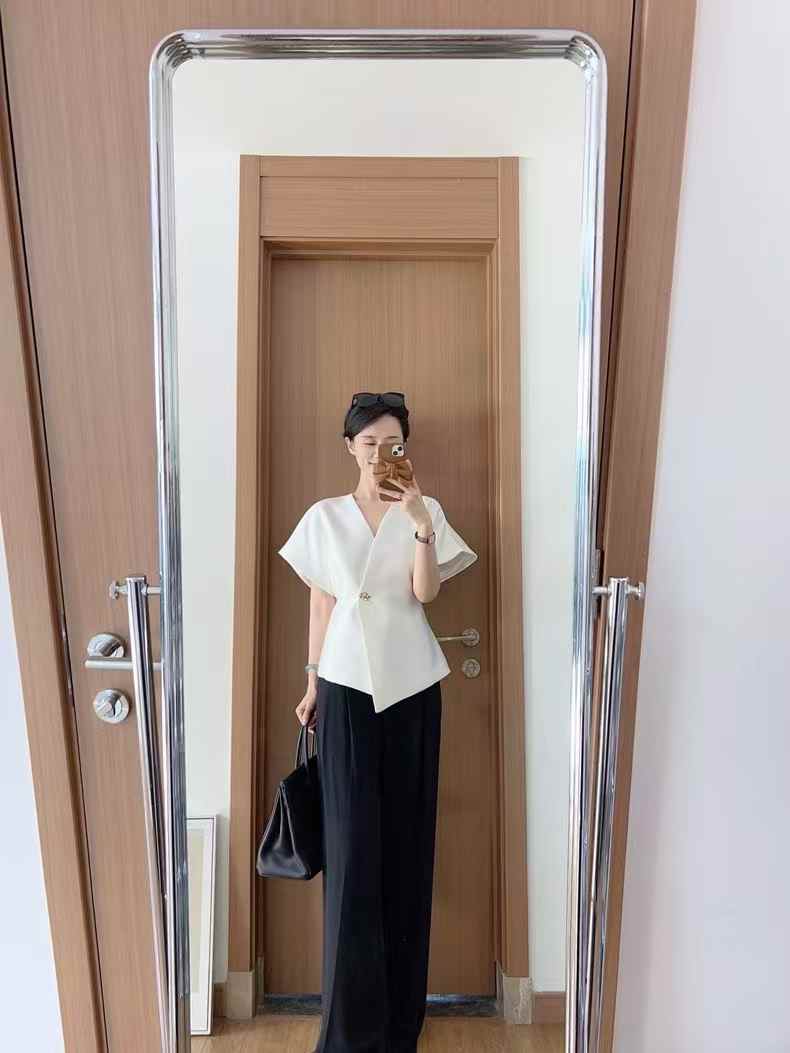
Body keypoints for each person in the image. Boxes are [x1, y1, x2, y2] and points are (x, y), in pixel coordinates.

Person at [277, 391, 477, 1053]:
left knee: (407, 850)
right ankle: (346, 1032)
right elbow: (321, 604)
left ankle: (398, 1027)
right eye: (368, 443)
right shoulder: (324, 516)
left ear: (404, 448)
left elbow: (425, 593)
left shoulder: (426, 510)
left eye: (392, 443)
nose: (379, 453)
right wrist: (311, 681)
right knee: (351, 852)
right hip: (344, 688)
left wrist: (418, 521)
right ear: (350, 446)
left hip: (412, 687)